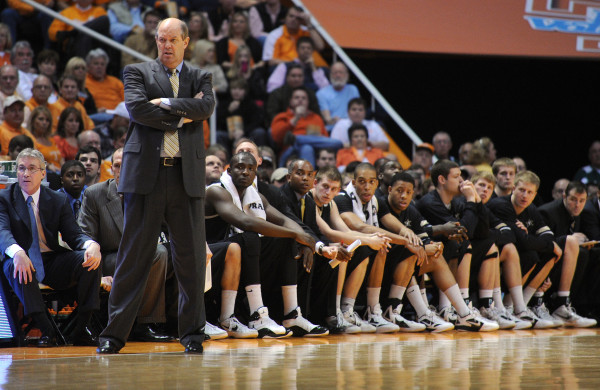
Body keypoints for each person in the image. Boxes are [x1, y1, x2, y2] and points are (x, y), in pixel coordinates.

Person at [97, 17, 215, 355]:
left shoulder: (200, 76)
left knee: (191, 263)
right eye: (160, 39)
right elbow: (136, 110)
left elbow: (206, 107)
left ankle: (192, 335)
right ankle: (113, 335)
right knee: (133, 259)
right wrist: (184, 113)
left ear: (185, 42)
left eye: (172, 39)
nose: (165, 45)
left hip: (185, 177)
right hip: (145, 177)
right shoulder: (137, 72)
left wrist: (162, 105)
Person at [205, 152, 321, 337]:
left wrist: (303, 239)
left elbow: (283, 221)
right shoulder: (216, 190)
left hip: (238, 253)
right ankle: (255, 314)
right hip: (210, 251)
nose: (245, 172)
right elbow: (246, 223)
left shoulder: (255, 195)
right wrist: (298, 235)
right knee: (251, 237)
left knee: (286, 240)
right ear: (229, 170)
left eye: (251, 169)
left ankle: (292, 313)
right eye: (240, 167)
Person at [0, 148, 102, 346]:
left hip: (50, 260)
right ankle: (47, 330)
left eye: (31, 168)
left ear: (43, 173)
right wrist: (17, 251)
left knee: (90, 260)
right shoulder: (4, 198)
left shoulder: (57, 199)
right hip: (19, 259)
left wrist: (92, 244)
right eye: (21, 168)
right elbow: (2, 232)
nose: (26, 174)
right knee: (18, 265)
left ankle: (81, 328)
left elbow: (74, 235)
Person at [78, 148, 174, 342]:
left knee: (170, 255)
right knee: (156, 254)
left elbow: (171, 224)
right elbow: (84, 235)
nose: (121, 170)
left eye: (127, 165)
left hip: (142, 255)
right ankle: (140, 323)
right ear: (111, 168)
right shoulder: (95, 193)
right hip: (109, 258)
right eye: (117, 165)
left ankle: (166, 323)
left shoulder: (149, 194)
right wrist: (98, 273)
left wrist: (200, 243)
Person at [487, 171, 590, 327]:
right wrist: (546, 244)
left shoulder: (531, 209)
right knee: (534, 252)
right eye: (522, 190)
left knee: (552, 250)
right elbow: (523, 242)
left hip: (516, 260)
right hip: (495, 260)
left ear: (535, 195)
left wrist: (541, 241)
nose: (525, 195)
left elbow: (547, 235)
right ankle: (512, 308)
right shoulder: (502, 206)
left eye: (529, 192)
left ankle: (526, 307)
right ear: (513, 188)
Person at [537, 181, 598, 327]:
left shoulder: (575, 213)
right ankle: (555, 304)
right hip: (542, 262)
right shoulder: (547, 212)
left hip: (558, 261)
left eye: (582, 201)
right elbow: (543, 245)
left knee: (586, 253)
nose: (577, 204)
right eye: (573, 200)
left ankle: (567, 305)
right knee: (578, 250)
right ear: (564, 196)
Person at [271, 86, 341, 167]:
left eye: (304, 98)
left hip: (314, 151)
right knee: (307, 148)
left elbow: (324, 140)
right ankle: (298, 141)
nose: (300, 100)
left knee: (337, 143)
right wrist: (296, 117)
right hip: (290, 152)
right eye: (297, 97)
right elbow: (276, 138)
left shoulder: (316, 118)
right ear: (290, 101)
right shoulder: (282, 116)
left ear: (308, 102)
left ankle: (297, 139)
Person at [84, 49, 125, 123]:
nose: (99, 67)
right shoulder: (84, 82)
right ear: (88, 66)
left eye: (102, 64)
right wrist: (95, 111)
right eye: (96, 64)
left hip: (117, 115)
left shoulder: (115, 81)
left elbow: (126, 101)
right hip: (97, 115)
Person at [316, 62, 359, 130]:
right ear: (330, 75)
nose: (338, 75)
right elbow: (328, 119)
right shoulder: (321, 93)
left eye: (341, 72)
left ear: (347, 75)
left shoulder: (353, 89)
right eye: (335, 73)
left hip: (352, 128)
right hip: (332, 129)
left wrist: (343, 122)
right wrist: (338, 122)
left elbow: (358, 112)